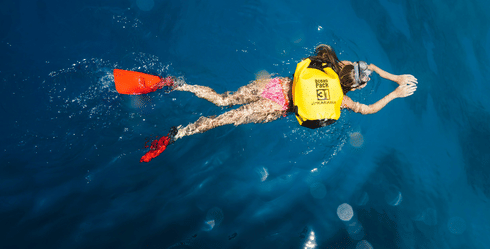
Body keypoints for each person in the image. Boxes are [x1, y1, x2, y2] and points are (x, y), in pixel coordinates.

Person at [139, 44, 417, 162]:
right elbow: (369, 109)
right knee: (219, 121)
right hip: (275, 108)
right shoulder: (342, 99)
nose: (366, 76)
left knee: (222, 99)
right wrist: (394, 92)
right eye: (363, 80)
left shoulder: (331, 65)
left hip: (273, 85)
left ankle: (177, 84)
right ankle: (179, 133)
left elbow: (366, 65)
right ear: (352, 86)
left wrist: (392, 75)